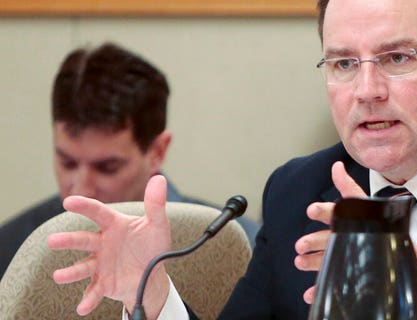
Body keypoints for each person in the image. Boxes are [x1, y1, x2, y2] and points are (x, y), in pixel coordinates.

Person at [47, 0, 417, 319]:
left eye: (397, 57)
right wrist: (154, 295)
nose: (367, 90)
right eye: (343, 64)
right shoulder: (300, 189)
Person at [0, 42, 259, 279]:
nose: (80, 190)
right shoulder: (12, 248)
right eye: (67, 163)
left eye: (107, 168)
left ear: (158, 151)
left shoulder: (239, 250)